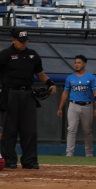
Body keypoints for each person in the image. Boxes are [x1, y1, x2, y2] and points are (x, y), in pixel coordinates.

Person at [0, 29, 56, 169]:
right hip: (10, 93)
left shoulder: (32, 55)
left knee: (30, 129)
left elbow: (39, 72)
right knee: (9, 129)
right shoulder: (5, 54)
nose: (23, 43)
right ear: (13, 40)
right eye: (20, 41)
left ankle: (30, 160)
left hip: (28, 94)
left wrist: (50, 83)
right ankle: (9, 160)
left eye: (25, 41)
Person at [57, 55, 96, 157]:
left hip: (87, 105)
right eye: (75, 62)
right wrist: (60, 107)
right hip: (73, 105)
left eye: (79, 62)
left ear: (84, 64)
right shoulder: (70, 78)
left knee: (87, 131)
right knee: (71, 129)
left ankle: (89, 153)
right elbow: (65, 93)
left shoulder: (91, 77)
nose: (76, 64)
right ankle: (69, 153)